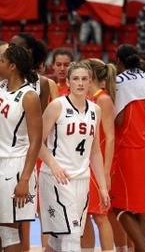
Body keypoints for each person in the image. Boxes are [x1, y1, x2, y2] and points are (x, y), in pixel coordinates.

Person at [38, 62, 109, 251]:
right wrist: (54, 165)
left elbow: (95, 152)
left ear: (90, 82)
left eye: (84, 79)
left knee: (58, 239)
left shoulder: (96, 111)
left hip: (81, 179)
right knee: (71, 237)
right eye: (76, 79)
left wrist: (102, 187)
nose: (80, 83)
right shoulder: (56, 106)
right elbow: (36, 142)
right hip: (56, 178)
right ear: (68, 82)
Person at [0, 45, 42, 252]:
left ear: (12, 66)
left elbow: (36, 141)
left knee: (9, 231)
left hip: (15, 166)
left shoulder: (29, 96)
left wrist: (25, 180)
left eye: (2, 60)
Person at [111, 44, 145, 252]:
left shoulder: (120, 83)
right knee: (139, 209)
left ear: (118, 61)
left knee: (119, 207)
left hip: (132, 148)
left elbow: (119, 119)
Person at [80, 58, 116, 252]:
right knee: (84, 215)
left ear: (90, 75)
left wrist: (106, 171)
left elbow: (110, 138)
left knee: (101, 216)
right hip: (84, 163)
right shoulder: (84, 98)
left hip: (98, 164)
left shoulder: (103, 98)